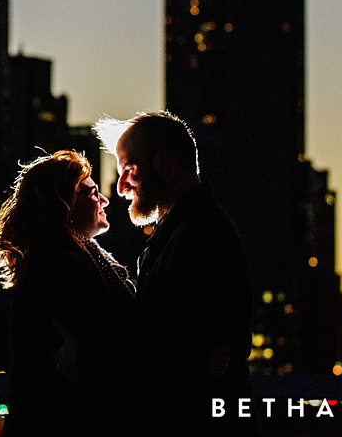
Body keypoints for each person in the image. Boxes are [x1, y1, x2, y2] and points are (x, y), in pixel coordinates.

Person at [97, 111, 255, 433]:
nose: (122, 185)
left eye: (129, 169)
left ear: (164, 164)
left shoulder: (199, 233)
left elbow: (169, 342)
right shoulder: (187, 229)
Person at [0, 151, 137, 436]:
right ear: (64, 205)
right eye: (92, 193)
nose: (104, 200)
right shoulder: (59, 266)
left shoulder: (71, 260)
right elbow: (102, 343)